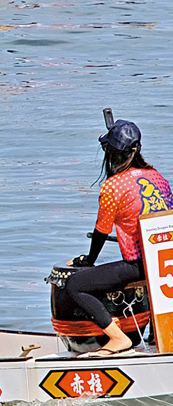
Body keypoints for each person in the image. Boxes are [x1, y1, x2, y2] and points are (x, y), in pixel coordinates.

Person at [66, 120, 173, 356]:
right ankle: (155, 333)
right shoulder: (157, 177)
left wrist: (87, 261)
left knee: (75, 285)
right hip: (166, 261)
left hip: (141, 265)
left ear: (111, 153)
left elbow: (101, 231)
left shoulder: (112, 186)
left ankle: (118, 338)